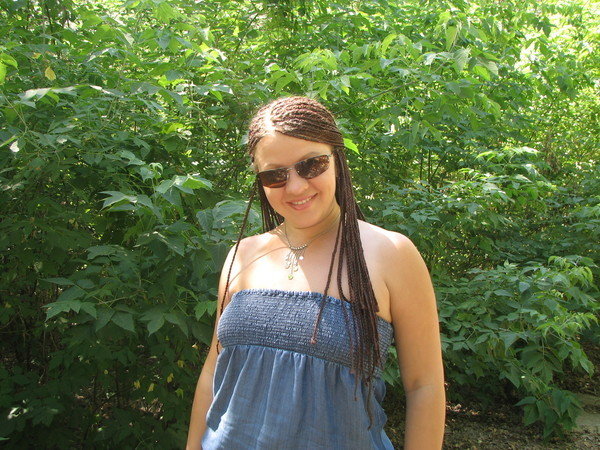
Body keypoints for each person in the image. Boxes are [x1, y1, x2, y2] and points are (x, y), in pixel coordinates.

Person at [186, 96, 445, 449]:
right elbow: (212, 371)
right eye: (275, 175)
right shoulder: (243, 255)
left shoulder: (391, 254)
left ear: (337, 159)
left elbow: (424, 386)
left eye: (311, 165)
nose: (295, 187)